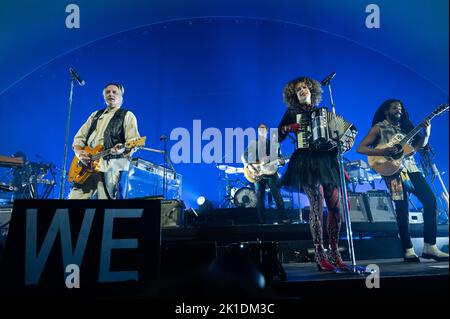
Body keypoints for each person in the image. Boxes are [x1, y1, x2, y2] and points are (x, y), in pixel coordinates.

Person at [357, 99, 448, 262]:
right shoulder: (379, 128)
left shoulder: (405, 129)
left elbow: (416, 148)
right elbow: (361, 148)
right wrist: (385, 150)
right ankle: (408, 249)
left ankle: (430, 247)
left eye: (400, 108)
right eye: (394, 108)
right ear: (386, 111)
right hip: (391, 171)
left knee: (430, 200)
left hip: (411, 169)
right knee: (402, 207)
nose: (398, 110)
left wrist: (426, 134)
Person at [277, 76, 352, 271]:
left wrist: (339, 145)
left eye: (305, 88)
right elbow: (278, 135)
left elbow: (347, 133)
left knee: (336, 207)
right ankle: (320, 254)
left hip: (327, 161)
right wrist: (289, 127)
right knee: (317, 206)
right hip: (306, 161)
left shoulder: (325, 112)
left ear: (312, 91)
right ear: (294, 95)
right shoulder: (292, 113)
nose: (302, 91)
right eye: (298, 89)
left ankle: (335, 251)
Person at [68, 83, 141, 199]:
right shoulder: (95, 115)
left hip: (111, 165)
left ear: (121, 97)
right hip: (86, 165)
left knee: (105, 206)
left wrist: (123, 149)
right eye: (107, 92)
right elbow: (79, 138)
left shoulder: (127, 115)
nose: (110, 94)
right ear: (104, 96)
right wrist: (79, 153)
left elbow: (134, 142)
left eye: (114, 92)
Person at [241, 123, 289, 224]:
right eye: (260, 129)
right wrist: (248, 165)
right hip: (257, 173)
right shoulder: (254, 143)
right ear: (258, 132)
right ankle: (262, 221)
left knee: (277, 196)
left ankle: (283, 218)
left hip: (271, 173)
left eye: (263, 129)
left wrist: (282, 161)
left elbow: (280, 158)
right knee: (259, 198)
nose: (262, 131)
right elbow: (244, 155)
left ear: (267, 131)